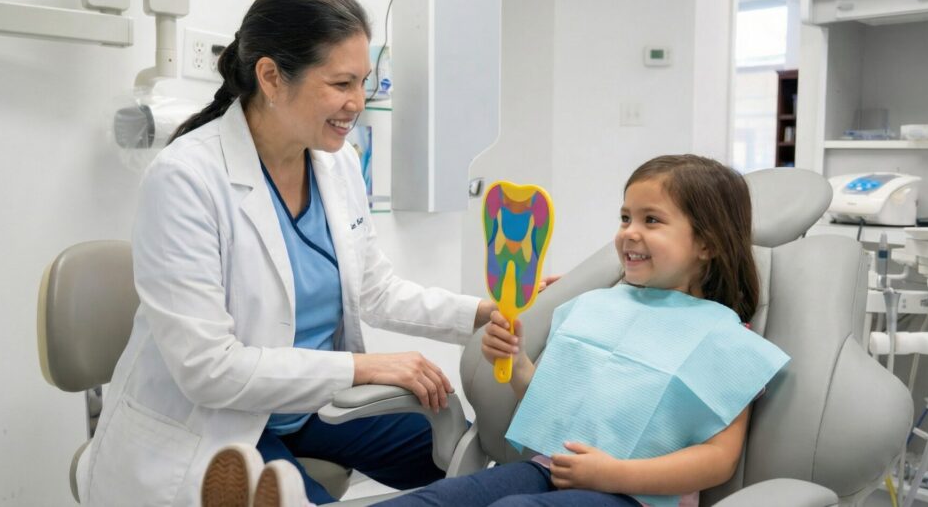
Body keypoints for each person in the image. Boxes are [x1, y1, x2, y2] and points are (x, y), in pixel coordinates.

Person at [76, 0, 497, 506]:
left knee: (472, 459)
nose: (357, 104)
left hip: (313, 406)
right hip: (218, 420)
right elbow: (209, 370)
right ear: (272, 77)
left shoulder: (336, 162)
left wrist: (482, 313)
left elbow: (376, 289)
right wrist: (363, 367)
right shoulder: (186, 177)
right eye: (341, 83)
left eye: (362, 82)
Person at [250, 154, 789, 507]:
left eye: (652, 221)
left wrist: (615, 476)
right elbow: (558, 404)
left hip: (637, 498)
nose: (628, 234)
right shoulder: (601, 306)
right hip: (550, 469)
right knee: (430, 502)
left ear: (708, 243)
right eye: (625, 217)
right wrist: (519, 366)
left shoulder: (726, 339)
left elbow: (719, 459)